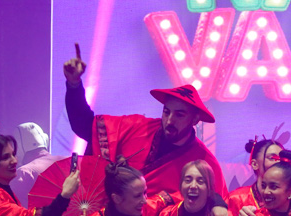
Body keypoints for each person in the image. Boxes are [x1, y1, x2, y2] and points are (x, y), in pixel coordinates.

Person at [62, 50, 225, 196]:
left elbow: (219, 204)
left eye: (179, 115)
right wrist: (74, 85)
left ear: (195, 119)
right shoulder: (138, 127)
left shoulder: (204, 161)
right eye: (166, 112)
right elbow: (85, 126)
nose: (169, 120)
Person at [229, 137, 284, 216]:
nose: (278, 163)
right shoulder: (236, 199)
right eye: (272, 158)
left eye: (282, 159)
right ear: (254, 164)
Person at [9, 122, 63, 201]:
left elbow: (16, 205)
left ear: (17, 148)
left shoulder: (24, 173)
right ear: (45, 139)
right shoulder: (68, 162)